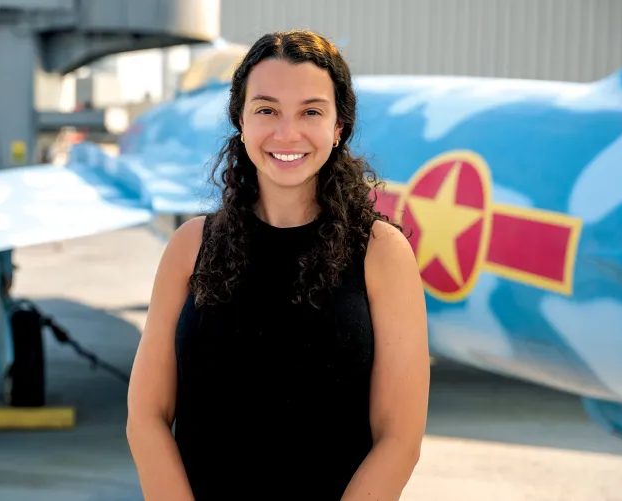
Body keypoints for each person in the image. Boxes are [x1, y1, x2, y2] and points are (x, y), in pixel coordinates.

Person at [126, 29, 429, 501]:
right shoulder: (190, 247)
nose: (287, 133)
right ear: (241, 122)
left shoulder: (381, 254)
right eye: (266, 110)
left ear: (338, 128)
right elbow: (145, 417)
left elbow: (399, 438)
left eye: (311, 111)